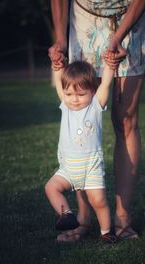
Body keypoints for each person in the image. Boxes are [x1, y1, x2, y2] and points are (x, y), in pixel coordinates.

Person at [49, 0, 145, 241]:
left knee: (125, 119)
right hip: (85, 21)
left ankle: (122, 217)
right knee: (80, 102)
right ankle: (84, 217)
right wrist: (60, 38)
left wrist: (118, 36)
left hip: (133, 17)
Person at [45, 51, 118, 243]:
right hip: (68, 168)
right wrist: (57, 65)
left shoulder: (95, 105)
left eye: (80, 94)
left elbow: (106, 83)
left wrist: (110, 65)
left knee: (98, 201)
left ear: (92, 91)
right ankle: (67, 214)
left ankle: (106, 233)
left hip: (90, 166)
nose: (74, 99)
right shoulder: (65, 105)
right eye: (69, 94)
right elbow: (61, 81)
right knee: (51, 187)